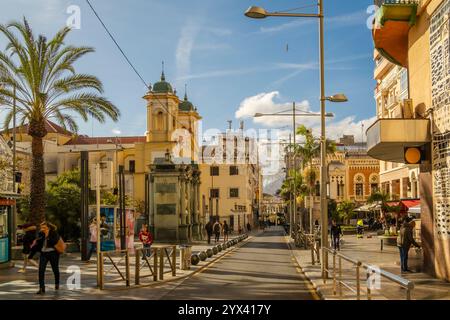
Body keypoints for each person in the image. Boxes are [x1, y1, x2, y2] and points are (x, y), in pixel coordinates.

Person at [34, 222, 61, 294]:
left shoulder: (54, 233)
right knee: (41, 270)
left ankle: (57, 283)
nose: (42, 229)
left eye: (44, 228)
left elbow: (54, 242)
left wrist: (47, 236)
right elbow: (39, 243)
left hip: (53, 253)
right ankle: (41, 288)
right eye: (41, 228)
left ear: (48, 227)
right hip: (43, 254)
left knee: (55, 269)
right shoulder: (41, 233)